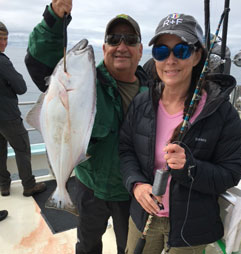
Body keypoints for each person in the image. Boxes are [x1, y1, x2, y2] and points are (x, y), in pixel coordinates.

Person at [24, 0, 149, 253]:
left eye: (129, 40)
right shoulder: (85, 82)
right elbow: (40, 64)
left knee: (132, 248)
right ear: (104, 48)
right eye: (114, 39)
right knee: (88, 245)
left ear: (140, 50)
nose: (121, 46)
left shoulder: (153, 92)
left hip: (133, 191)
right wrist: (54, 19)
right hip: (91, 186)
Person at [119, 13, 241, 254]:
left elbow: (232, 172)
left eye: (182, 50)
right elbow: (125, 150)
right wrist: (136, 185)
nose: (171, 59)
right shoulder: (142, 103)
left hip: (192, 226)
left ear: (197, 55)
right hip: (143, 215)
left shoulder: (221, 113)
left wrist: (190, 168)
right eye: (161, 51)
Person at [0, 21, 46, 197]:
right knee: (22, 149)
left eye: (6, 38)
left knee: (0, 151)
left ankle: (4, 185)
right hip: (8, 117)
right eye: (0, 38)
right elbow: (21, 88)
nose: (4, 42)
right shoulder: (3, 62)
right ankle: (28, 185)